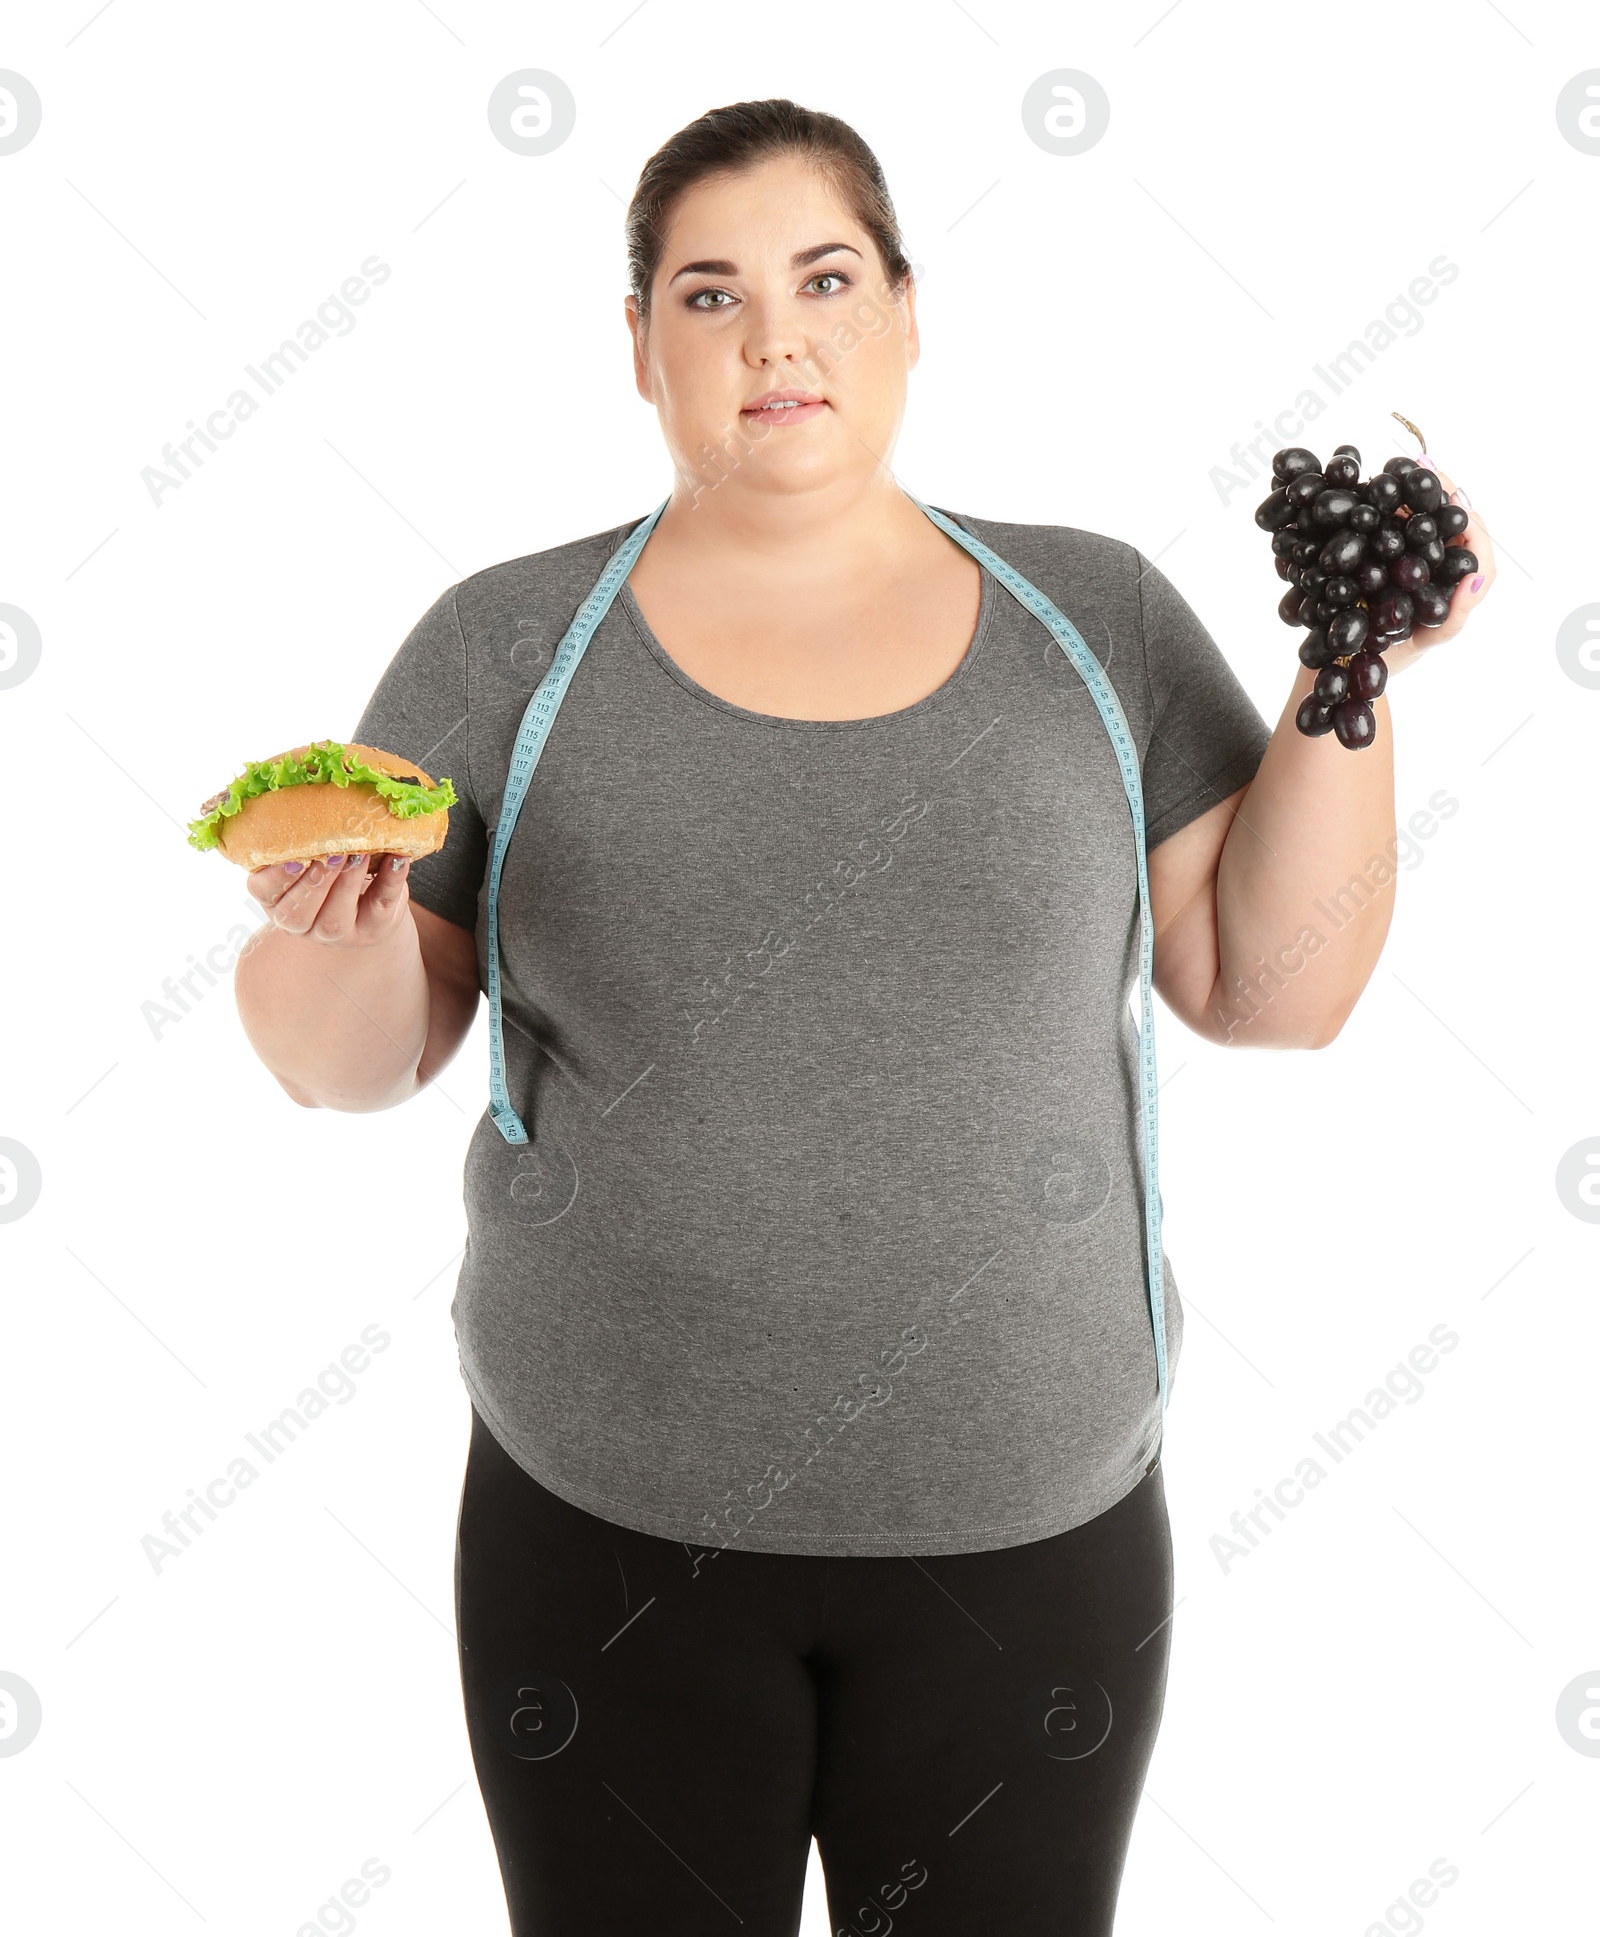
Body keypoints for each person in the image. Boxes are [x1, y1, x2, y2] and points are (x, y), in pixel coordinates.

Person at [231, 98, 1494, 1934]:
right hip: (604, 1532)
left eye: (826, 279)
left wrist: (1346, 669)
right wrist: (333, 931)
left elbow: (1269, 988)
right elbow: (344, 1061)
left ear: (908, 312)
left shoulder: (1097, 617)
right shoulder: (504, 645)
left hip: (1031, 1530)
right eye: (708, 294)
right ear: (641, 352)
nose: (776, 337)